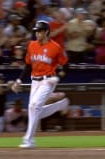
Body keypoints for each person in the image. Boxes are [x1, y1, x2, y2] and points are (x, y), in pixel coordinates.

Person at [11, 20, 69, 148]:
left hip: (48, 80)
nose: (37, 33)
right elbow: (27, 65)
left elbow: (65, 66)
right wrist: (19, 80)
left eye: (40, 31)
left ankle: (29, 139)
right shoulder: (32, 45)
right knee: (35, 110)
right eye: (36, 31)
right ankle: (60, 105)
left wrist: (58, 77)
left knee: (33, 106)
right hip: (34, 80)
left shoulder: (55, 47)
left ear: (46, 32)